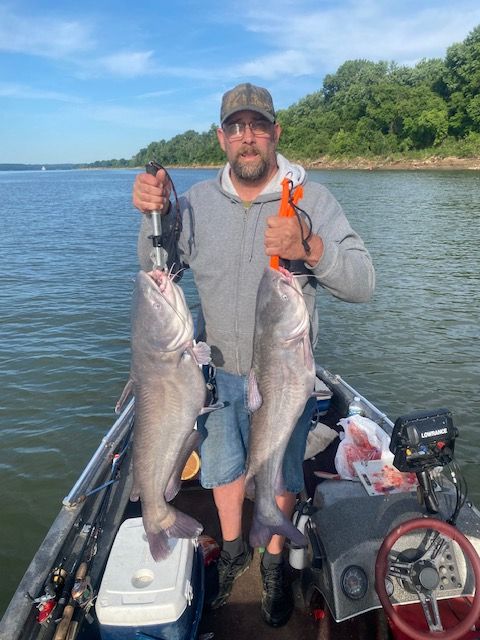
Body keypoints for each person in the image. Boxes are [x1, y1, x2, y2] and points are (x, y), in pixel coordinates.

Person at [132, 82, 375, 627]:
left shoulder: (311, 201)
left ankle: (272, 564)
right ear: (221, 138)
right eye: (236, 127)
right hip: (217, 373)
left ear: (275, 134)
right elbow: (157, 264)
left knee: (282, 473)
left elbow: (363, 282)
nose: (247, 137)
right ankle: (236, 546)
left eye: (258, 126)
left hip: (284, 378)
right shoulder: (194, 204)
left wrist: (310, 246)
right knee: (221, 471)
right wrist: (153, 212)